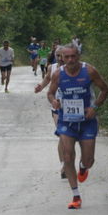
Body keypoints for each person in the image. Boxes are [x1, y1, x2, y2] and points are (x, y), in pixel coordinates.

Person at [47, 44, 108, 209]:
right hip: (66, 120)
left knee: (88, 160)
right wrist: (54, 101)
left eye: (73, 56)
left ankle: (83, 167)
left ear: (78, 56)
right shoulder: (58, 74)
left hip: (87, 121)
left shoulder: (89, 71)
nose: (70, 60)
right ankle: (76, 196)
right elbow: (50, 93)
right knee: (67, 156)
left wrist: (94, 107)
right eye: (66, 57)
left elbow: (104, 89)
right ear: (62, 58)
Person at [35, 46, 66, 178]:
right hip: (57, 108)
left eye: (62, 55)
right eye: (57, 55)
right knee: (62, 135)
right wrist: (40, 86)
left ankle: (68, 162)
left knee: (69, 138)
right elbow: (47, 79)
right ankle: (64, 165)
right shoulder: (52, 68)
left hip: (71, 108)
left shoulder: (74, 67)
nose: (60, 58)